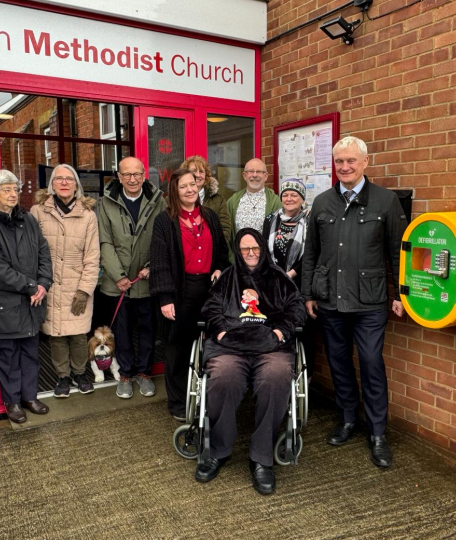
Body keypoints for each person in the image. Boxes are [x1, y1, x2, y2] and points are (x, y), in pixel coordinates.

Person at [301, 136, 407, 468]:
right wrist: (308, 293)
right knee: (338, 362)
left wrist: (401, 295)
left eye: (351, 161)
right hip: (330, 300)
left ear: (365, 163)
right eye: (339, 162)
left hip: (370, 302)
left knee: (372, 363)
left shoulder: (386, 202)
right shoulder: (321, 203)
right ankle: (347, 419)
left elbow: (397, 253)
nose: (344, 167)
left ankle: (377, 432)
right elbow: (311, 254)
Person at [196, 228, 306, 494]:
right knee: (223, 376)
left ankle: (261, 458)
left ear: (262, 248)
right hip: (230, 346)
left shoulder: (278, 277)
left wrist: (280, 331)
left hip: (270, 347)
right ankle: (218, 451)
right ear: (237, 250)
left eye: (255, 248)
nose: (251, 254)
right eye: (245, 249)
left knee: (277, 376)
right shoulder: (227, 279)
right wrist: (221, 330)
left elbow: (297, 308)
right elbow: (210, 308)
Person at [0, 170, 53, 424]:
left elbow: (43, 252)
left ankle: (30, 396)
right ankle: (12, 401)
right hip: (4, 304)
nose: (12, 194)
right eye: (6, 189)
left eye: (15, 189)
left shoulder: (26, 219)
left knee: (30, 352)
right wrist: (30, 286)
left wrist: (43, 283)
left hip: (32, 300)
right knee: (8, 355)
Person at [149, 168, 229, 421]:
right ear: (174, 191)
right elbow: (159, 262)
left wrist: (218, 268)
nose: (190, 189)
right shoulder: (164, 221)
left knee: (209, 346)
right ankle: (178, 403)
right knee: (178, 349)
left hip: (208, 290)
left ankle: (205, 396)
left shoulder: (210, 216)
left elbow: (222, 252)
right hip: (180, 292)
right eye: (183, 186)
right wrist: (165, 298)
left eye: (193, 184)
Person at [99, 157, 166, 399]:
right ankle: (126, 374)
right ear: (118, 176)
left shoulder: (158, 201)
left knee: (148, 329)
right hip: (117, 284)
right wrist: (118, 276)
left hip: (147, 280)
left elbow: (163, 239)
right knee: (122, 330)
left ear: (144, 174)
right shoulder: (105, 203)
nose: (132, 179)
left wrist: (151, 266)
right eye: (127, 175)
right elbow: (104, 241)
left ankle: (144, 372)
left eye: (137, 174)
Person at [31, 164, 100, 398]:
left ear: (76, 184)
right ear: (52, 183)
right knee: (56, 334)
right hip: (48, 282)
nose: (64, 182)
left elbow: (92, 257)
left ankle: (80, 373)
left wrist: (84, 290)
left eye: (69, 179)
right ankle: (62, 376)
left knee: (79, 334)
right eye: (59, 178)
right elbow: (31, 251)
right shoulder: (38, 211)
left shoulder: (88, 215)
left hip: (77, 282)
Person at [263, 179, 317, 364]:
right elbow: (264, 249)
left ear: (302, 198)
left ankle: (303, 373)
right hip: (273, 284)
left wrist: (292, 273)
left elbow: (312, 252)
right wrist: (276, 274)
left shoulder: (310, 220)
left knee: (302, 330)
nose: (289, 198)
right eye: (285, 195)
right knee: (276, 325)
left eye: (294, 195)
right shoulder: (271, 219)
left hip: (300, 285)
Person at [226, 158, 281, 241]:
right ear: (244, 175)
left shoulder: (276, 202)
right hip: (238, 253)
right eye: (251, 171)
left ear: (265, 176)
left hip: (265, 253)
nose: (255, 175)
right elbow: (227, 233)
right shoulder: (232, 202)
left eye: (259, 171)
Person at [181, 155, 232, 242]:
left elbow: (225, 229)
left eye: (201, 171)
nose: (198, 175)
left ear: (206, 175)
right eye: (194, 171)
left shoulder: (218, 200)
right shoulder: (174, 199)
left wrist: (210, 248)